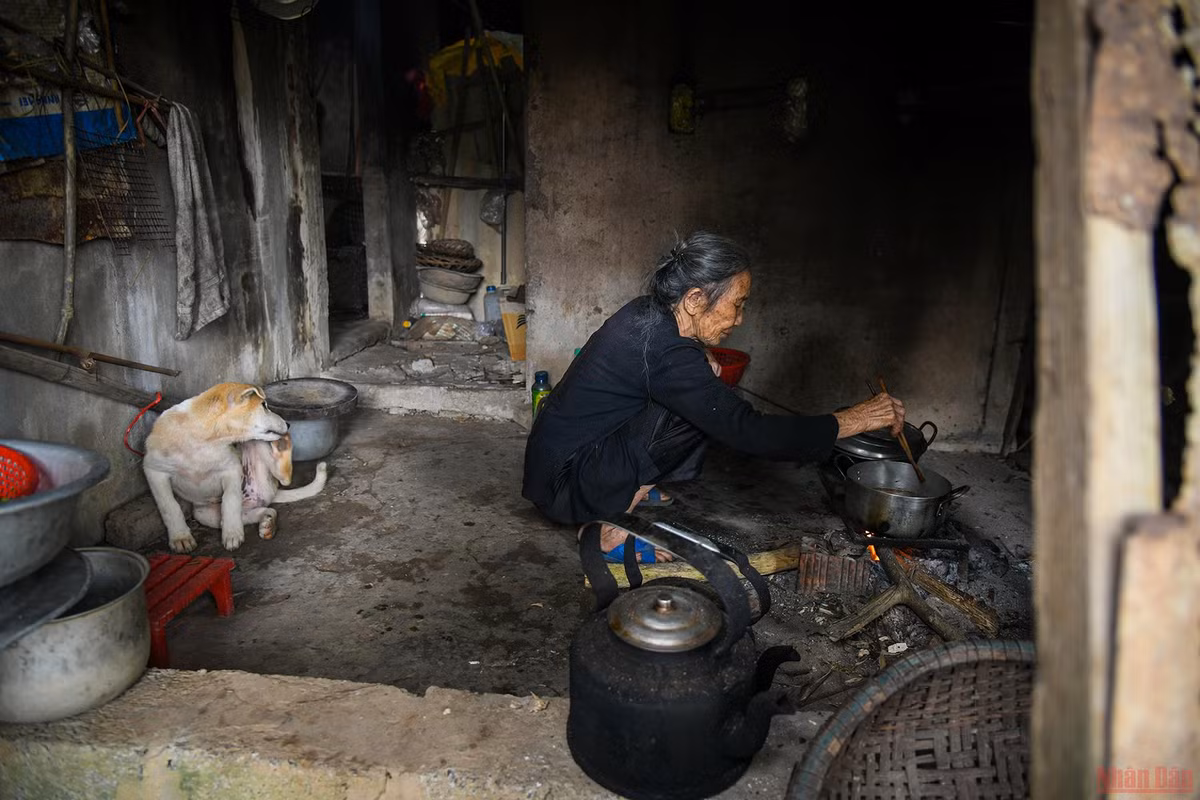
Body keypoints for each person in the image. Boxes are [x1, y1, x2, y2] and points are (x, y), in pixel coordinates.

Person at [521, 231, 905, 562]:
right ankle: (606, 529)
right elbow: (751, 433)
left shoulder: (649, 312)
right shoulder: (666, 355)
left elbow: (666, 366)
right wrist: (858, 419)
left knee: (704, 393)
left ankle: (626, 485)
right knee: (706, 409)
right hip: (566, 483)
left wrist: (702, 354)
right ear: (694, 300)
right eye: (736, 304)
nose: (739, 319)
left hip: (555, 465)